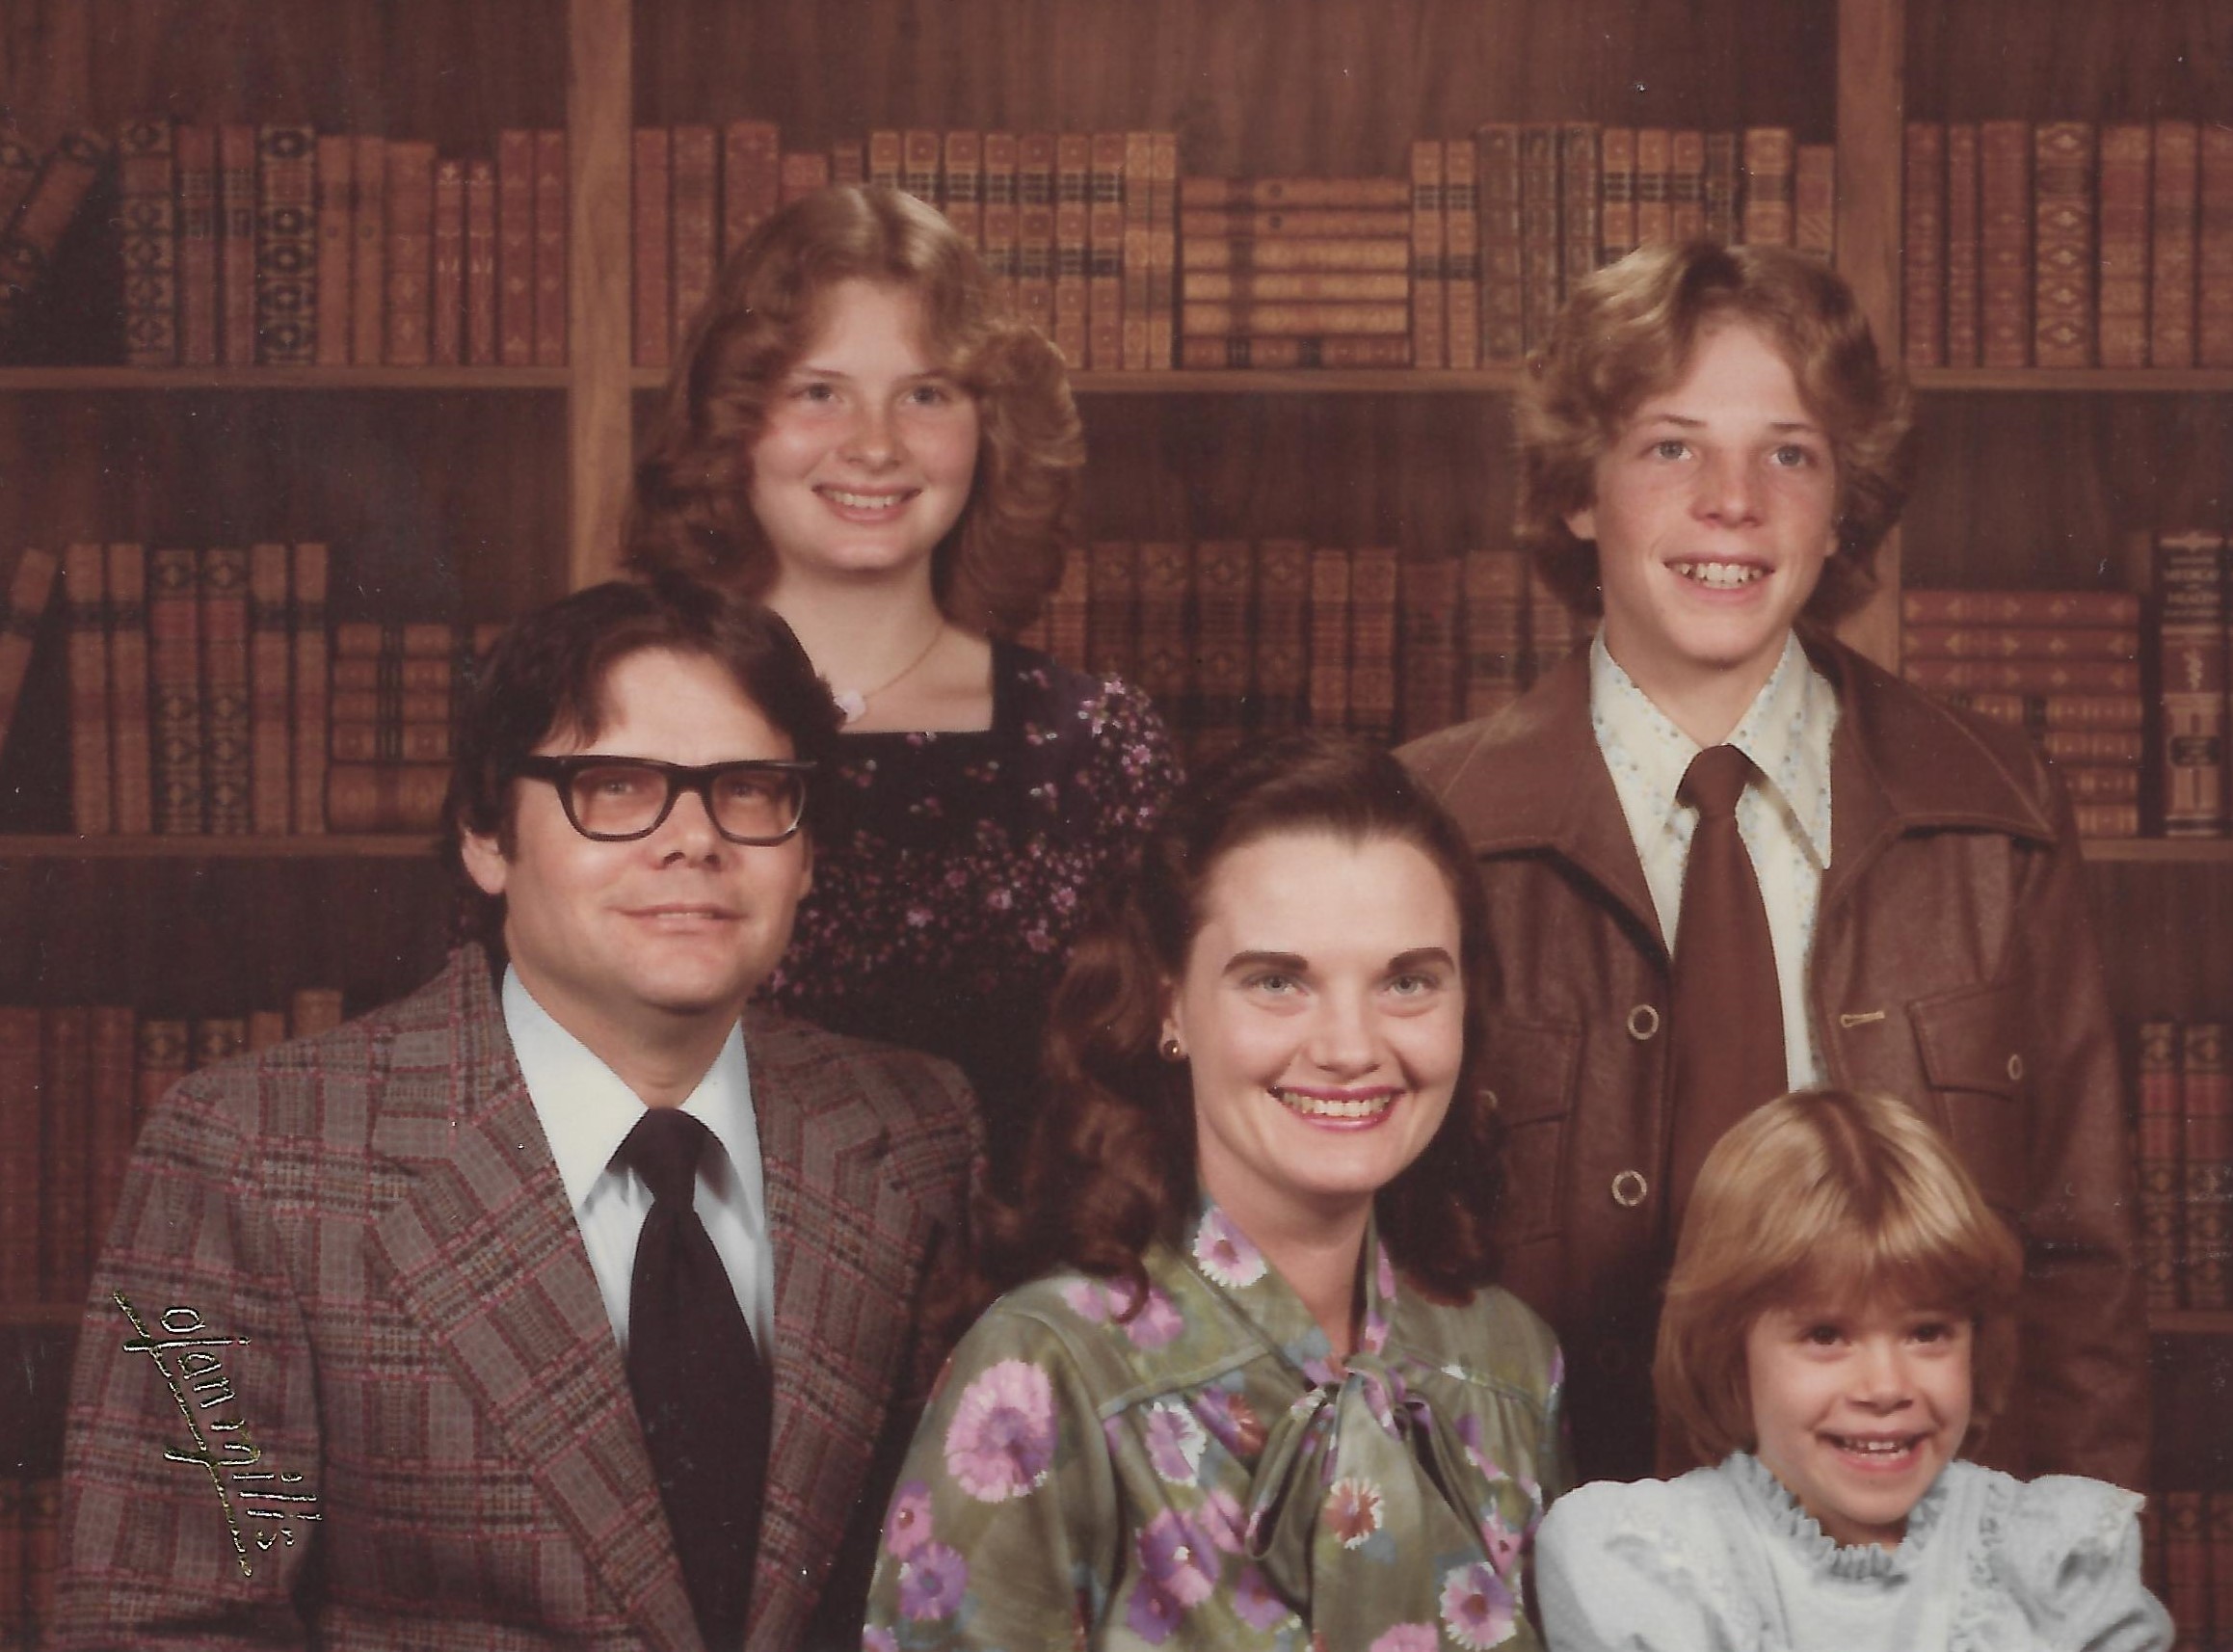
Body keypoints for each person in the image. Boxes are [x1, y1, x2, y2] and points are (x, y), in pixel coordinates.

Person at [53, 575, 976, 1652]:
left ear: (806, 849)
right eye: (618, 786)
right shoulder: (247, 1157)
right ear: (487, 838)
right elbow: (162, 1625)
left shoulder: (916, 1134)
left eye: (750, 787)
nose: (693, 840)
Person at [1398, 239, 2145, 1489]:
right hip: (1534, 1554)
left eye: (1788, 452)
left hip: (1921, 1568)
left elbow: (2082, 1271)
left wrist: (2071, 1574)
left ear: (1842, 499)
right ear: (1580, 490)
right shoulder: (1425, 825)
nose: (1731, 500)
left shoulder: (1996, 812)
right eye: (1670, 445)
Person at [859, 733, 1567, 1651]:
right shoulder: (1043, 1372)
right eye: (1277, 982)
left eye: (1406, 981)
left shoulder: (1511, 1362)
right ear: (1169, 1008)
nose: (1350, 1047)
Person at [626, 183, 1180, 1194]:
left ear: (988, 426)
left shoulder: (1094, 746)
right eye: (817, 391)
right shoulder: (612, 724)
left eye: (926, 393)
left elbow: (1159, 1098)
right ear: (736, 419)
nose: (874, 443)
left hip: (1017, 1318)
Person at [1536, 1089, 2171, 1651]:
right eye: (1825, 1335)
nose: (1886, 1388)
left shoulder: (2055, 1558)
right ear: (1730, 1351)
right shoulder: (1641, 1555)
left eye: (1927, 1333)